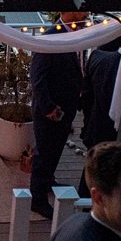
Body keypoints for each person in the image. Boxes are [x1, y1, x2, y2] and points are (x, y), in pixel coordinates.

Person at [28, 12, 88, 220]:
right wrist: (48, 108)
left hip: (68, 107)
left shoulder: (81, 35)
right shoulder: (50, 37)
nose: (86, 15)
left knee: (55, 149)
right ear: (68, 13)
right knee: (43, 152)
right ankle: (37, 198)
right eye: (82, 12)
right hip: (49, 110)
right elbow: (38, 78)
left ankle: (48, 180)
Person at [76, 41, 121, 196]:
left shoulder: (96, 57)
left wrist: (87, 123)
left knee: (91, 167)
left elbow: (86, 96)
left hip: (95, 123)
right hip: (110, 127)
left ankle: (84, 200)